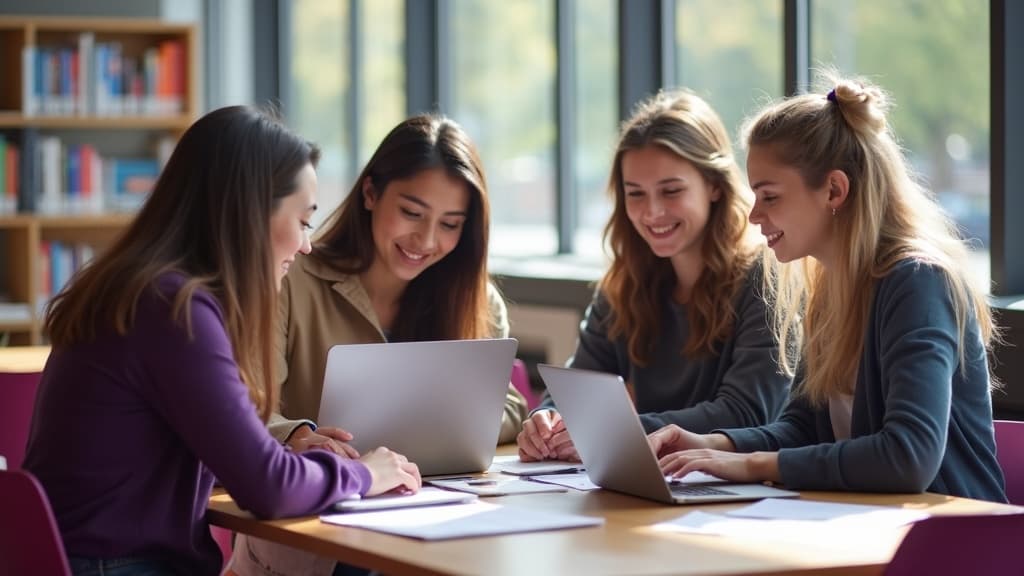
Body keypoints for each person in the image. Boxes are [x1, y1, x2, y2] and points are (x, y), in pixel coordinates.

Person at [23, 105, 421, 576]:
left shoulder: (143, 289)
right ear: (250, 214)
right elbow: (269, 489)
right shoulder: (173, 309)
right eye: (303, 221)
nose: (306, 244)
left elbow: (233, 460)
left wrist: (286, 454)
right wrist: (367, 473)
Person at [649, 73, 1007, 503]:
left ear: (834, 190)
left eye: (770, 196)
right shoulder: (830, 289)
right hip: (868, 527)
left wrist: (755, 465)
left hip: (947, 543)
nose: (753, 215)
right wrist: (713, 445)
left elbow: (909, 456)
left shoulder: (918, 283)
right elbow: (803, 429)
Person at [228, 113, 528, 575]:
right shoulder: (291, 276)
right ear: (370, 193)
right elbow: (248, 410)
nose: (426, 240)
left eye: (450, 224)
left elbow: (506, 408)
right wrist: (299, 435)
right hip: (315, 526)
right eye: (411, 213)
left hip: (434, 518)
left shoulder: (476, 298)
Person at [517, 90, 792, 463]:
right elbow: (575, 391)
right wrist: (546, 420)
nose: (652, 212)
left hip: (733, 491)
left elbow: (746, 413)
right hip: (648, 479)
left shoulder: (768, 280)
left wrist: (611, 430)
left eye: (671, 190)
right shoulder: (625, 284)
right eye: (636, 194)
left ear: (714, 185)